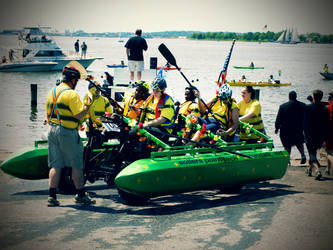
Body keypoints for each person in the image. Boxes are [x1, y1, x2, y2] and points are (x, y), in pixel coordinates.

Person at [45, 66, 96, 206]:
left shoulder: (52, 92)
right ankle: (80, 196)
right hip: (67, 132)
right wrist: (87, 106)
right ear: (73, 80)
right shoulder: (71, 94)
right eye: (77, 81)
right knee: (76, 165)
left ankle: (52, 197)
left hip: (52, 130)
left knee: (56, 165)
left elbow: (48, 116)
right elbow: (79, 115)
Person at [303, 90, 329, 180]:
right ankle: (309, 170)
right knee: (313, 153)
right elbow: (326, 124)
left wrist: (304, 134)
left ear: (313, 97)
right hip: (320, 136)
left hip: (310, 135)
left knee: (311, 153)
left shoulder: (308, 108)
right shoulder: (324, 109)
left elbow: (304, 123)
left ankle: (317, 170)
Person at [275, 91, 306, 164]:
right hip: (298, 128)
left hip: (286, 129)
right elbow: (306, 117)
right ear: (296, 96)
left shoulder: (283, 106)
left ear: (289, 97)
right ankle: (303, 155)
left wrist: (276, 127)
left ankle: (287, 160)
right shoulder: (303, 105)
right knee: (299, 142)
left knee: (287, 145)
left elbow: (279, 118)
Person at [324, 92, 333, 175]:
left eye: (329, 98)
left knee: (329, 151)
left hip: (329, 132)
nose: (328, 100)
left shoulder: (328, 107)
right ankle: (328, 169)